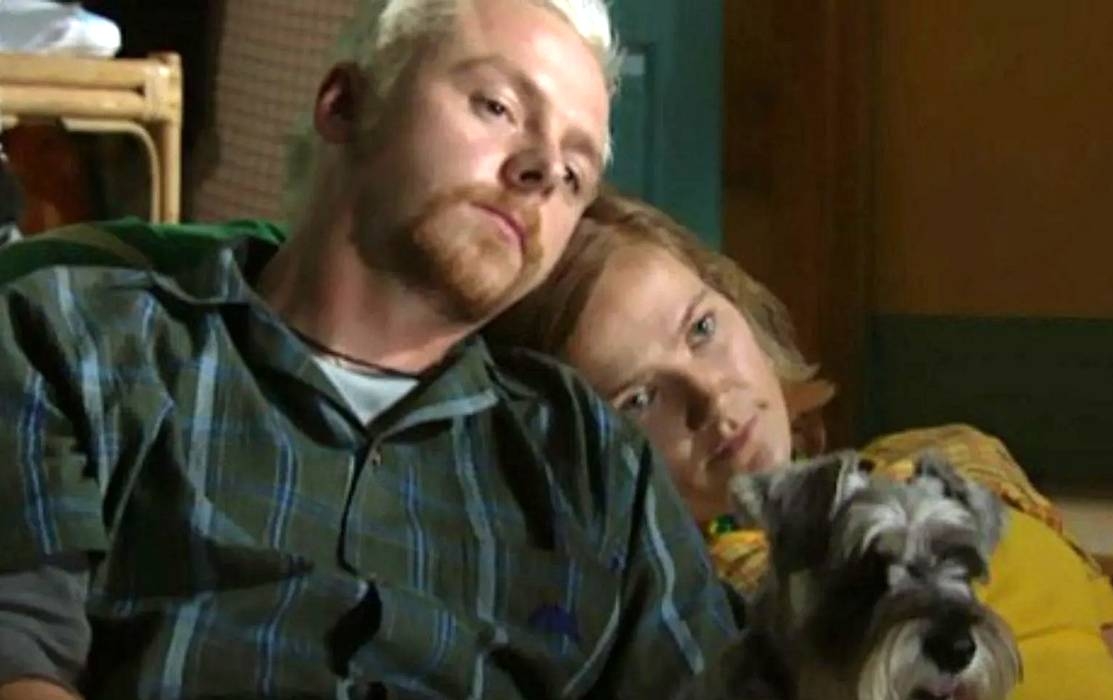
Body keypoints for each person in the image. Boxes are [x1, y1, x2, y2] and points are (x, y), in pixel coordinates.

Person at [0, 3, 737, 698]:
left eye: (575, 175)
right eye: (498, 107)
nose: (543, 170)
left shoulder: (592, 465)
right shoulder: (78, 339)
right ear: (346, 104)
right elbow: (21, 656)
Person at [488, 189, 1113, 700]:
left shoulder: (967, 459)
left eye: (701, 330)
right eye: (639, 399)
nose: (714, 399)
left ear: (737, 306)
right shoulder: (685, 608)